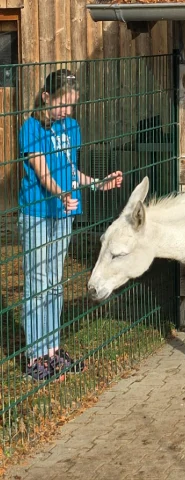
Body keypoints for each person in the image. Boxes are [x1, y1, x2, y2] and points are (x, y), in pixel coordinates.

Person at [18, 68, 123, 381]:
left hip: (64, 212)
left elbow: (70, 171)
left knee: (55, 281)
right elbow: (44, 174)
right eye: (63, 103)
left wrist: (96, 183)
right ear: (47, 97)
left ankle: (52, 350)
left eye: (72, 104)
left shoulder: (72, 127)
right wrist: (63, 193)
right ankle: (34, 357)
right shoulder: (31, 128)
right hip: (38, 213)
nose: (67, 110)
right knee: (37, 283)